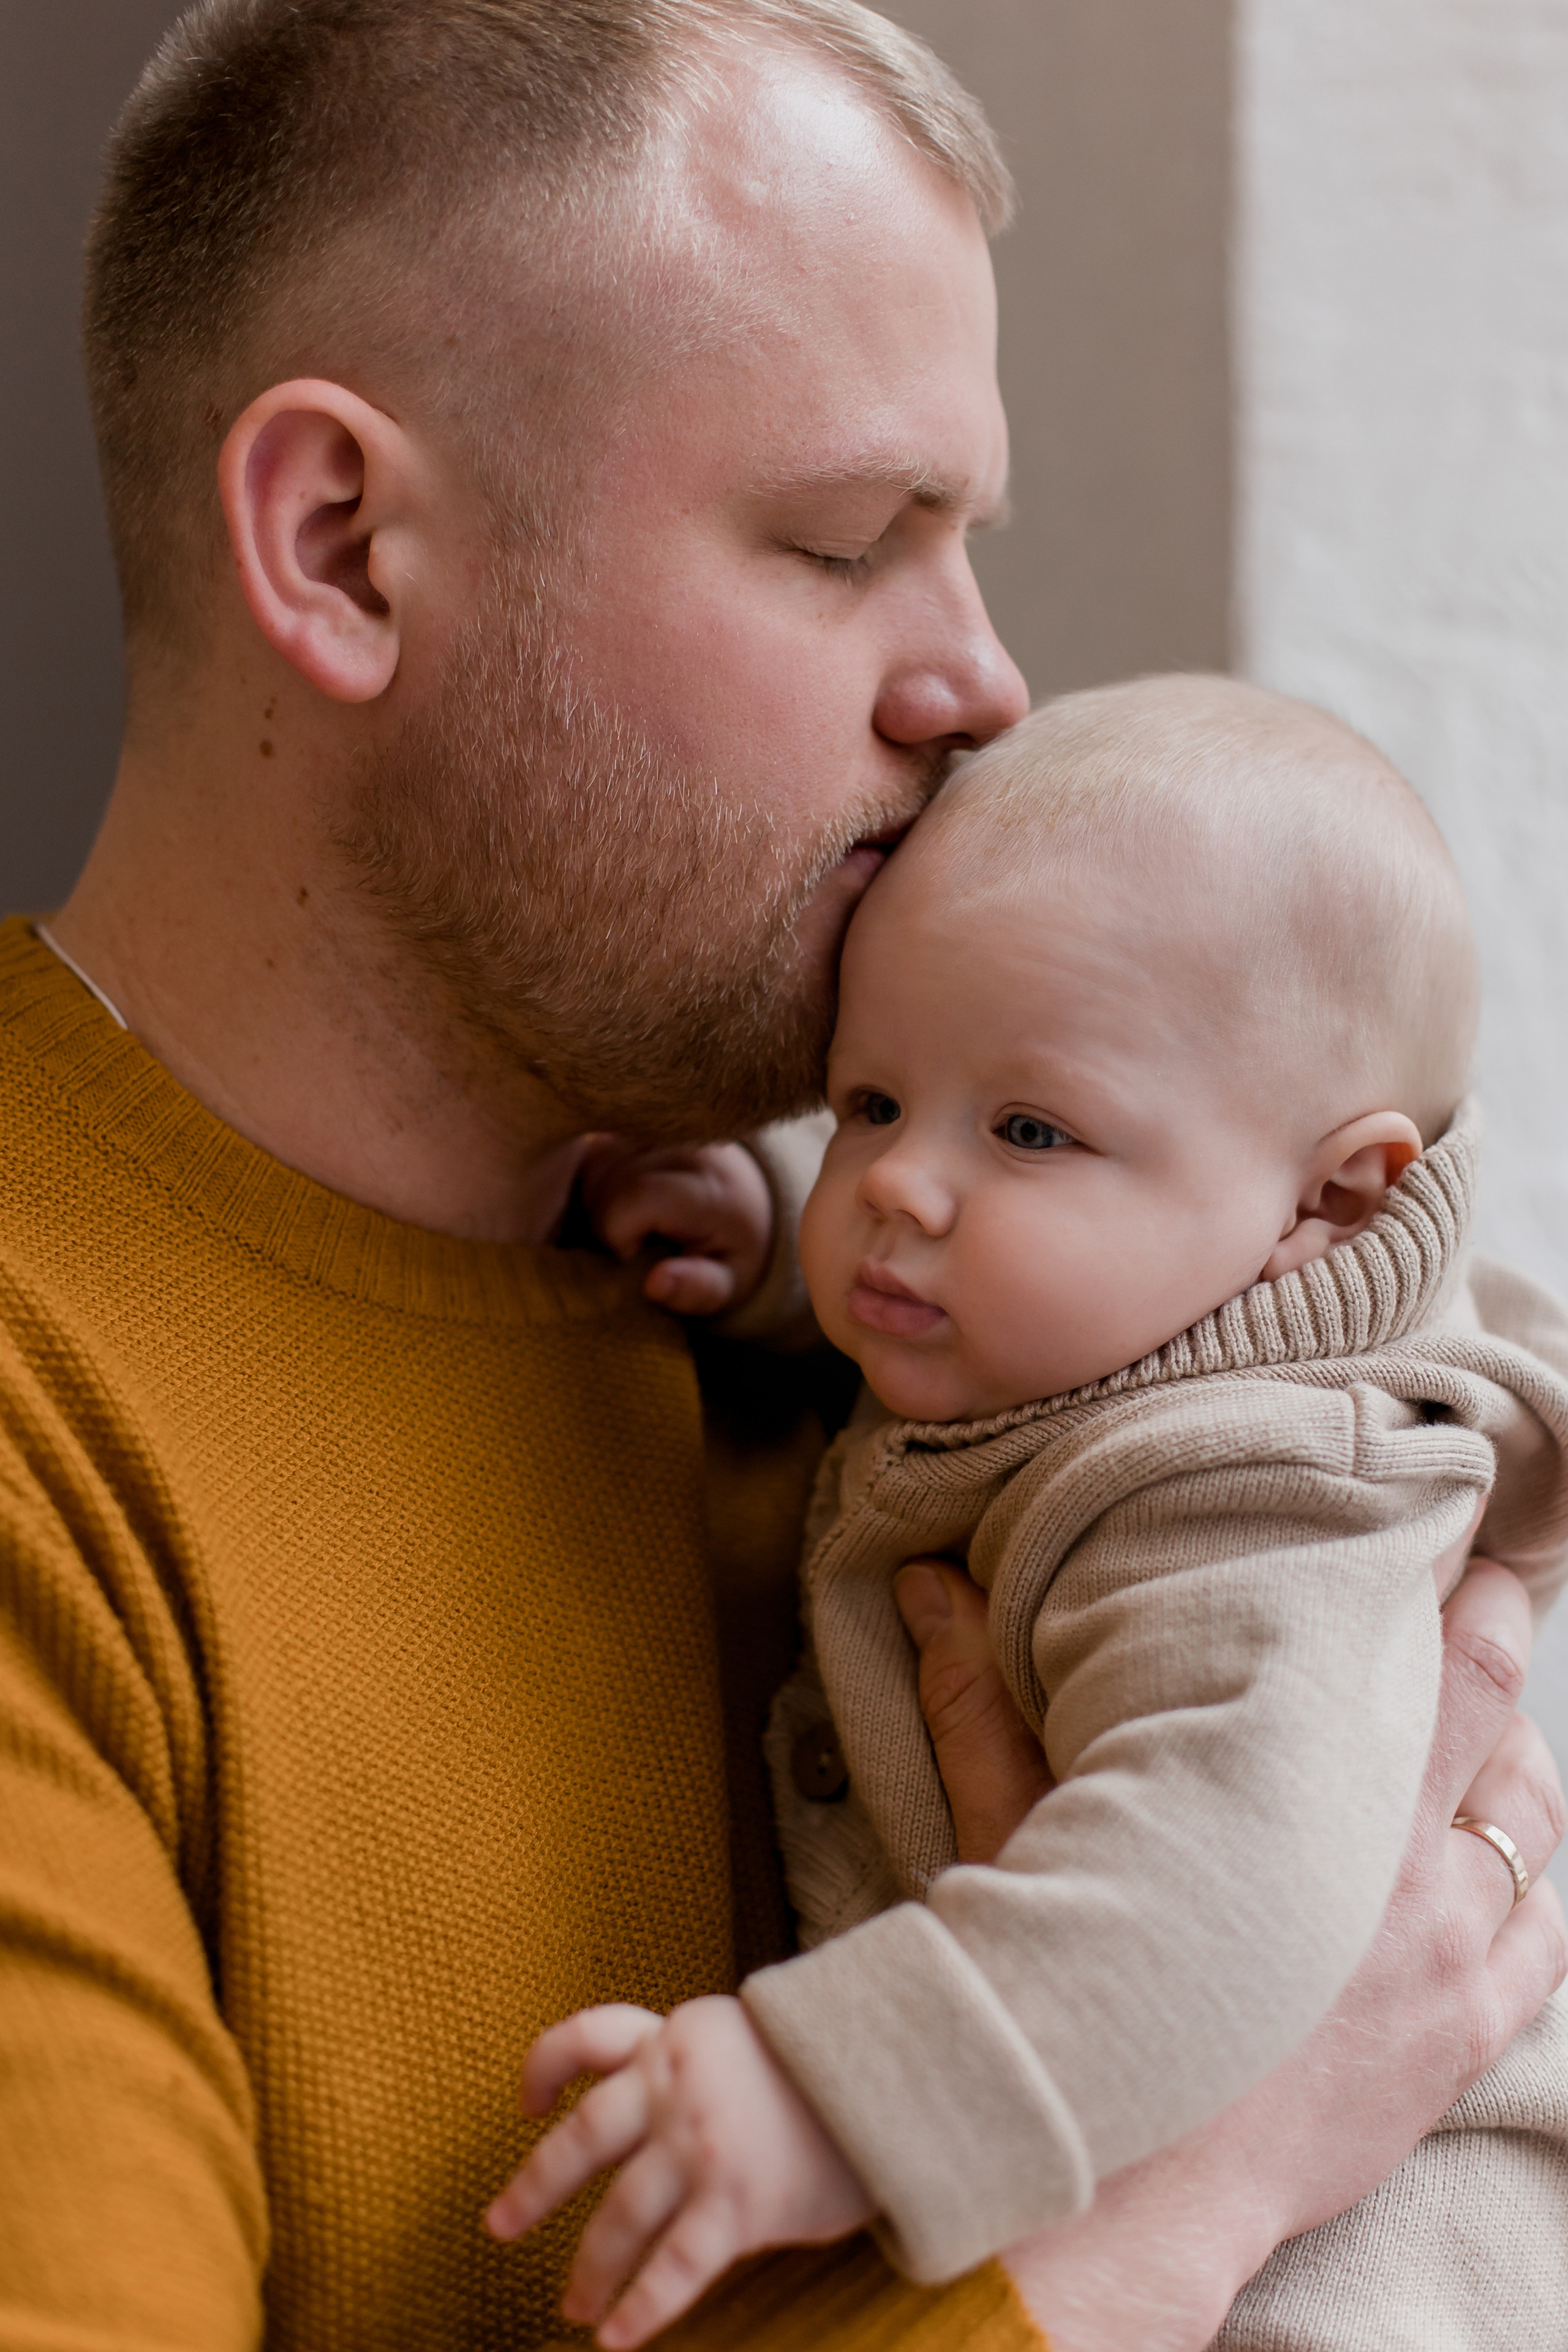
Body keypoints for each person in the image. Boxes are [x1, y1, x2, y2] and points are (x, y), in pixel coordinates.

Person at [0, 3, 1561, 2347]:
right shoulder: (50, 1427)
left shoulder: (914, 1315)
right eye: (848, 543)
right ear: (340, 549)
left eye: (969, 546)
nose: (985, 685)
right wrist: (1206, 2176)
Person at [491, 676, 1568, 2348]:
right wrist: (775, 1238)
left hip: (1372, 2266)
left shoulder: (1252, 1500)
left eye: (1028, 1128)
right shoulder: (1109, 1325)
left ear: (1325, 1200)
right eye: (867, 1105)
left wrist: (835, 2094)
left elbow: (1233, 1879)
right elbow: (955, 1308)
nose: (905, 1187)